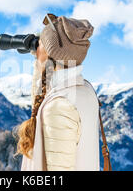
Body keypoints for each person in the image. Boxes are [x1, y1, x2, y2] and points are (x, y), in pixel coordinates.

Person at [17, 14, 101, 171]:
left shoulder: (59, 106)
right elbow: (43, 99)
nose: (36, 48)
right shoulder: (84, 89)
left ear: (51, 54)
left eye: (40, 42)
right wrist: (40, 67)